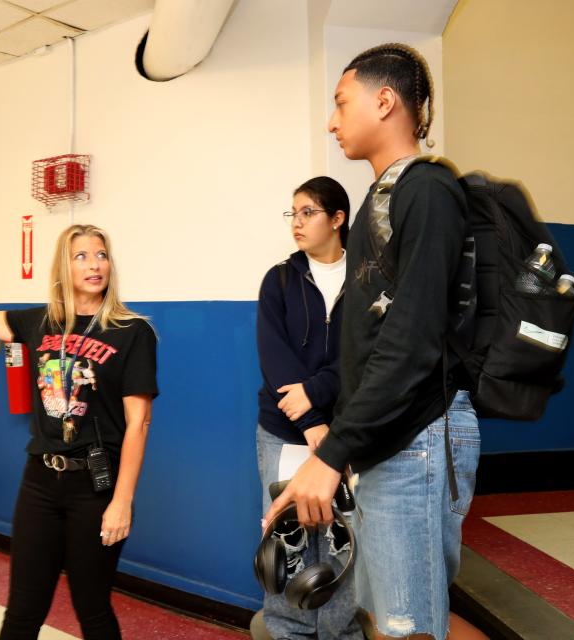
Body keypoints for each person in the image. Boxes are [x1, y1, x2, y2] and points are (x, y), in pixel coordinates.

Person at [264, 44, 487, 640]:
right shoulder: (378, 203)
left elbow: (412, 344)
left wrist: (332, 454)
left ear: (385, 101)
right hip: (390, 439)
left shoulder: (428, 192)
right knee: (392, 617)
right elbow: (370, 347)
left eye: (341, 103)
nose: (332, 121)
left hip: (420, 436)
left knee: (409, 625)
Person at [0, 224, 158, 640]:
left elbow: (139, 423)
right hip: (40, 481)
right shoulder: (42, 322)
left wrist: (122, 502)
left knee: (91, 607)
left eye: (101, 254)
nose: (94, 264)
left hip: (94, 486)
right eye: (81, 256)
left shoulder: (132, 331)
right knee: (23, 608)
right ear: (64, 266)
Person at [254, 177, 363, 640]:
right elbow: (274, 357)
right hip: (283, 430)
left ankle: (340, 632)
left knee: (343, 542)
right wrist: (309, 421)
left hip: (348, 431)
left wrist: (317, 399)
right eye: (292, 213)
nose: (296, 223)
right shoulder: (279, 278)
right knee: (288, 543)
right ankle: (287, 632)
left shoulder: (367, 277)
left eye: (308, 213)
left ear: (337, 219)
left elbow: (365, 358)